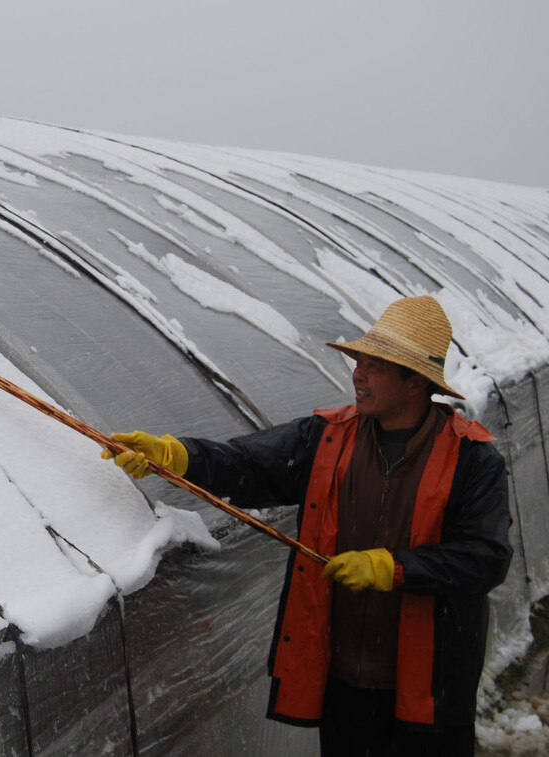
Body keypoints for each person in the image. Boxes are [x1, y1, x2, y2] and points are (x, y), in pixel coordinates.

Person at [105, 296, 512, 756]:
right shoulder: (328, 436)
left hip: (430, 687)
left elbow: (486, 557)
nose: (357, 373)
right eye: (358, 360)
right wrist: (175, 457)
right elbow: (249, 464)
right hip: (345, 683)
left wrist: (392, 568)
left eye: (375, 365)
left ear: (415, 380)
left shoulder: (473, 460)